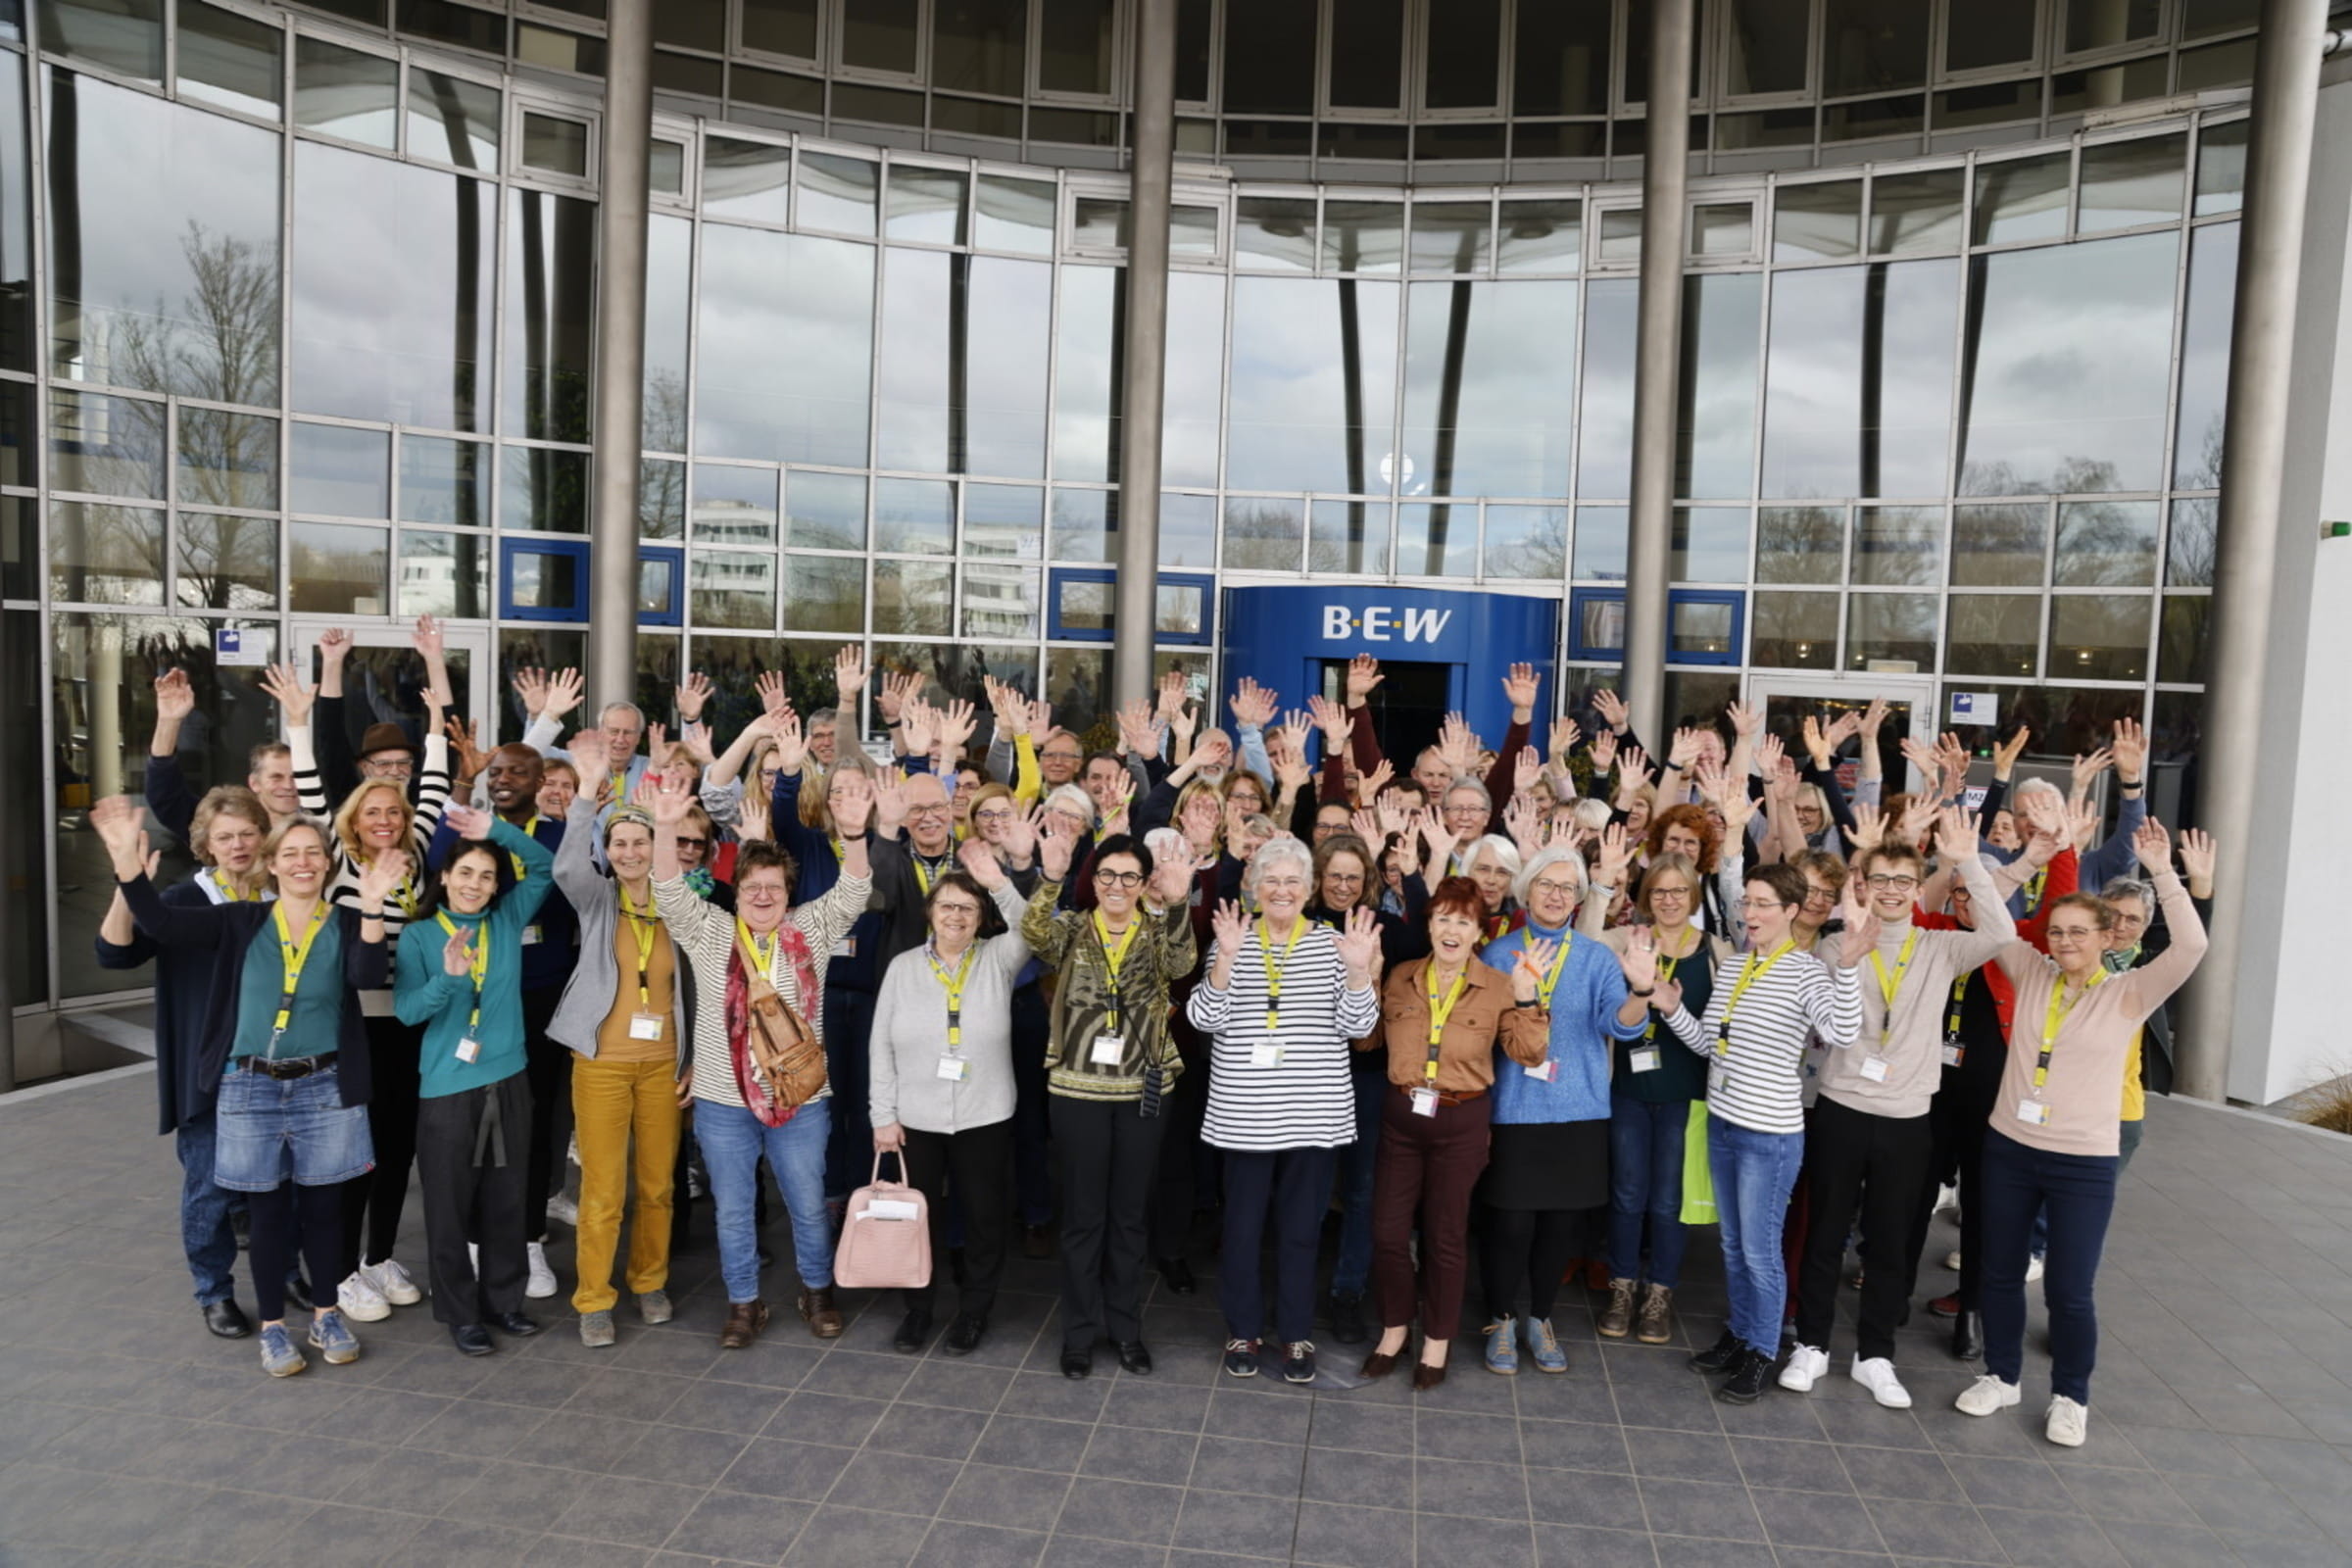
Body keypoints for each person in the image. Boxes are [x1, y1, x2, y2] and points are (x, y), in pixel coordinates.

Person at [92, 798, 403, 1377]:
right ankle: (274, 1331)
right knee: (264, 1215)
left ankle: (326, 1313)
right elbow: (157, 922)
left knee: (323, 1210)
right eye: (291, 853)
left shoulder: (342, 920)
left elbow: (366, 975)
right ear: (272, 863)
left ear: (326, 865)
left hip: (324, 1086)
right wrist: (125, 866)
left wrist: (375, 902)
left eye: (314, 853)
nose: (304, 862)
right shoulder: (240, 922)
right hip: (251, 1087)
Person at [1955, 819, 2207, 1448]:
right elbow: (1989, 911)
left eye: (2079, 932)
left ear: (2105, 937)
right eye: (2058, 931)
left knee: (2069, 1288)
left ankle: (2070, 1395)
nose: (2065, 942)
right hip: (2010, 1148)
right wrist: (1971, 861)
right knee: (2001, 1271)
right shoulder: (2028, 967)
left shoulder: (2129, 992)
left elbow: (2192, 949)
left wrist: (2164, 874)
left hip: (2082, 1162)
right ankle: (2002, 1375)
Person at [1780, 808, 2014, 1410]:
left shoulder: (1941, 947)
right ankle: (1811, 1345)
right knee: (1826, 1232)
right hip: (1841, 1105)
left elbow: (2001, 935)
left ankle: (1875, 1354)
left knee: (1889, 1241)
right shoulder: (1836, 945)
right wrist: (1856, 945)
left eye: (1902, 881)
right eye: (1879, 879)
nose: (1890, 890)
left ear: (1917, 888)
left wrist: (1966, 862)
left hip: (1909, 1115)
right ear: (1864, 885)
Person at [1630, 862, 1866, 1404]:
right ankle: (1739, 1334)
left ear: (1790, 911)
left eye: (1763, 904)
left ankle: (1762, 1350)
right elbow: (1712, 1045)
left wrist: (1848, 967)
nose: (1752, 913)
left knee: (1760, 1251)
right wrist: (1669, 1008)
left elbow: (1842, 1033)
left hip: (1770, 1136)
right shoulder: (1735, 967)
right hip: (1724, 1123)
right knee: (1734, 1246)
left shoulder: (1807, 972)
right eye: (1747, 903)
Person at [657, 765, 876, 1348]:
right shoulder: (711, 932)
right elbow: (667, 892)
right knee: (733, 1211)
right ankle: (744, 1303)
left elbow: (854, 891)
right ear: (737, 890)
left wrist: (855, 836)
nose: (762, 897)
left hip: (802, 1101)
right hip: (724, 1104)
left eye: (773, 888)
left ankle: (816, 1291)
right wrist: (661, 829)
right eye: (752, 887)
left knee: (807, 1205)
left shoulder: (811, 930)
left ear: (787, 894)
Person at [271, 657, 455, 1326]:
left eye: (392, 811)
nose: (384, 819)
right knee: (353, 1152)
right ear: (354, 817)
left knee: (397, 1147)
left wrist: (437, 718)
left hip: (410, 1023)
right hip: (354, 1025)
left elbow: (434, 787)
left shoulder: (415, 845)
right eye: (372, 810)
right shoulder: (338, 853)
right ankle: (340, 1271)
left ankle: (378, 1257)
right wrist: (298, 722)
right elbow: (312, 788)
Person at [1186, 839, 1382, 1384]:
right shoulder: (1234, 937)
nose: (1282, 891)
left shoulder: (1332, 944)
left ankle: (1296, 1335)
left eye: (1293, 881)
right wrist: (1223, 959)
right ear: (1254, 886)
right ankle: (1243, 1330)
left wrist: (1359, 971)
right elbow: (1204, 1018)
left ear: (1309, 889)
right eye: (1271, 880)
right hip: (1245, 1115)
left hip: (1313, 1116)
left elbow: (1359, 1026)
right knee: (1243, 1230)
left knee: (1301, 1231)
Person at [94, 784, 274, 1339]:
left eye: (247, 833)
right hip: (210, 1072)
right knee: (210, 1186)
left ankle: (286, 1270)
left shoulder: (284, 894)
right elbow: (115, 954)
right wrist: (130, 884)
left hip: (277, 1067)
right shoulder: (179, 901)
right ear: (205, 845)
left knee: (279, 1184)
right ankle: (214, 1291)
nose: (238, 845)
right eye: (225, 837)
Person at [1360, 877, 1549, 1391]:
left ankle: (1437, 1340)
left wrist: (1530, 999)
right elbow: (1365, 1041)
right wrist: (1363, 979)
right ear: (1429, 924)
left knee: (1445, 1237)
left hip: (1461, 1121)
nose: (1451, 929)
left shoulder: (1499, 984)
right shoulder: (1400, 977)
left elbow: (1529, 1054)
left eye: (1463, 921)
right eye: (1443, 917)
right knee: (1388, 1233)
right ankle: (1395, 1328)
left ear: (1477, 932)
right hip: (1401, 1118)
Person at [1022, 826, 1199, 1379]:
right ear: (1093, 880)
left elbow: (1182, 964)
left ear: (1144, 881)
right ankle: (1078, 1334)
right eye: (1107, 875)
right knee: (1082, 1218)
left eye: (1129, 876)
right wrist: (1050, 877)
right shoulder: (1073, 929)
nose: (1117, 885)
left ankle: (1124, 1329)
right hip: (1077, 1088)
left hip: (1143, 1088)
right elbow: (1032, 933)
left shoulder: (1156, 928)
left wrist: (1174, 901)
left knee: (1128, 1218)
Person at [546, 730, 692, 1348]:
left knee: (658, 1186)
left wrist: (695, 1062)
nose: (631, 851)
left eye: (641, 840)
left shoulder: (680, 903)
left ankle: (649, 1281)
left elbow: (701, 988)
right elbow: (565, 865)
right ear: (608, 851)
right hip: (602, 1063)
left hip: (663, 1066)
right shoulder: (597, 899)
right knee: (604, 1189)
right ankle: (594, 1299)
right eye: (621, 842)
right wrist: (586, 795)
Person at [395, 804, 558, 1356]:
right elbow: (408, 1012)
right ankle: (461, 1313)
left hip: (509, 1078)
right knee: (448, 1205)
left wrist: (498, 833)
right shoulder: (419, 937)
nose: (475, 884)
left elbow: (544, 867)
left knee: (507, 1199)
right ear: (444, 876)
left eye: (487, 876)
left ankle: (503, 1301)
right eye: (465, 872)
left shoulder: (507, 919)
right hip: (447, 1089)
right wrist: (448, 979)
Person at [1476, 845, 1641, 1375]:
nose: (1555, 895)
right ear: (1526, 891)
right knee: (1511, 1226)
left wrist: (1641, 990)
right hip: (1516, 1109)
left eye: (1567, 887)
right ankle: (1500, 1319)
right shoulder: (1498, 954)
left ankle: (1541, 1317)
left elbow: (1621, 1025)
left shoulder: (1594, 958)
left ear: (1579, 898)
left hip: (1578, 1112)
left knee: (1558, 1231)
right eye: (1546, 884)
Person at [869, 839, 1033, 1355]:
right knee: (922, 1218)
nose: (957, 916)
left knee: (984, 1219)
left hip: (985, 1114)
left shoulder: (998, 959)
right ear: (930, 913)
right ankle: (918, 1310)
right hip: (915, 1117)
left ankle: (974, 1312)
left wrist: (998, 883)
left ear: (981, 916)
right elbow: (880, 1046)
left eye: (968, 907)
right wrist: (883, 1115)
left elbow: (1030, 925)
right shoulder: (902, 968)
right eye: (947, 906)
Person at [1590, 849, 1729, 1346]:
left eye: (1679, 891)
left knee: (1669, 1201)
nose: (1669, 900)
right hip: (1627, 1088)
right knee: (1627, 1196)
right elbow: (1583, 944)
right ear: (1647, 897)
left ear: (1693, 895)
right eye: (1659, 891)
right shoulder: (1624, 941)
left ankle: (1659, 1294)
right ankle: (1622, 1289)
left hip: (1685, 1096)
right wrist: (1604, 887)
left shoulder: (1716, 952)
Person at [1307, 831, 1427, 1346]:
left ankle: (1347, 1294)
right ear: (1318, 877)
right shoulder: (1300, 925)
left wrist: (1418, 874)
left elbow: (1426, 941)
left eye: (1353, 878)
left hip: (1369, 1077)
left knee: (1361, 1191)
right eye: (1334, 876)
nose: (1342, 886)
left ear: (1368, 881)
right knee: (1306, 1190)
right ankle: (1294, 1288)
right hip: (1306, 1077)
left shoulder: (1383, 926)